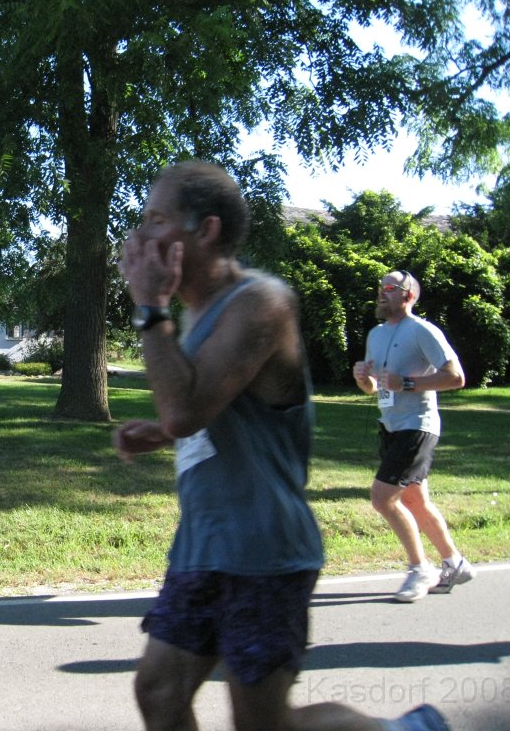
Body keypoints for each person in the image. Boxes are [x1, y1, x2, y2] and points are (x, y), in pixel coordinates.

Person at [114, 161, 448, 731]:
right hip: (203, 544)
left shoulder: (261, 303)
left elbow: (187, 406)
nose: (141, 235)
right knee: (160, 692)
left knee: (265, 726)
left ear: (206, 230)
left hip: (263, 549)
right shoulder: (195, 318)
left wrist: (150, 310)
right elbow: (202, 411)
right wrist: (164, 431)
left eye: (156, 219)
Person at [352, 270, 475, 603]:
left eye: (389, 288)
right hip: (390, 425)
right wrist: (363, 378)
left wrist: (407, 383)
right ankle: (455, 563)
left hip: (418, 425)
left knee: (383, 498)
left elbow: (455, 377)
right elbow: (375, 387)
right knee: (414, 500)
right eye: (380, 288)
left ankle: (420, 568)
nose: (382, 293)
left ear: (408, 296)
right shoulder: (376, 334)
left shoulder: (423, 331)